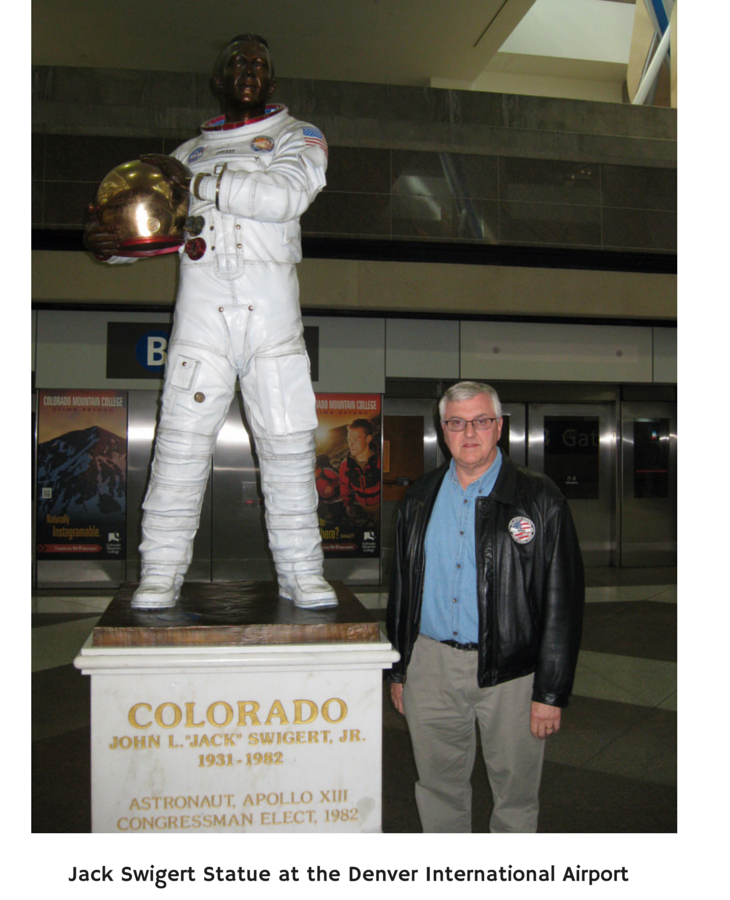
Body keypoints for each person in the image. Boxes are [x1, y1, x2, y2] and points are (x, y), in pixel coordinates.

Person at [83, 35, 337, 610]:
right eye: (237, 63)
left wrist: (199, 184)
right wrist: (111, 245)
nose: (249, 70)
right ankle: (159, 574)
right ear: (218, 79)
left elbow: (286, 196)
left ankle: (302, 573)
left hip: (270, 318)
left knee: (288, 449)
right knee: (178, 447)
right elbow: (155, 231)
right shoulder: (187, 153)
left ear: (271, 80)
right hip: (202, 318)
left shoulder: (298, 136)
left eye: (259, 63)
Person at [386, 381, 584, 832]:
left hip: (511, 670)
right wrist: (399, 669)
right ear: (443, 430)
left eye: (481, 421)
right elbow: (403, 588)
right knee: (437, 786)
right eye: (457, 423)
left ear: (498, 427)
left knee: (515, 793)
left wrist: (550, 692)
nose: (469, 432)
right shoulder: (419, 498)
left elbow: (563, 600)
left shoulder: (539, 498)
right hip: (430, 665)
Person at [339, 419, 380, 522]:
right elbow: (344, 486)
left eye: (355, 440)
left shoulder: (381, 461)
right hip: (363, 506)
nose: (351, 444)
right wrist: (347, 503)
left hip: (381, 505)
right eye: (349, 440)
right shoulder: (345, 466)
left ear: (368, 439)